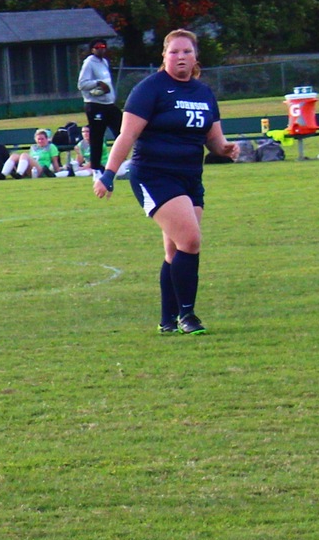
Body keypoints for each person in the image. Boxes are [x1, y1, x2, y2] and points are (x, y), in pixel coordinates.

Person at [96, 27, 235, 335]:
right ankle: (188, 316)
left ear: (196, 56)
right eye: (174, 52)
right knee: (191, 241)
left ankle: (167, 321)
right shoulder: (151, 88)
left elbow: (214, 139)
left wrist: (225, 149)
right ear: (164, 56)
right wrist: (108, 174)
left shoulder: (203, 92)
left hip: (190, 179)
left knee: (176, 251)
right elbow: (127, 135)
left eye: (186, 51)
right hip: (154, 175)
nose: (180, 57)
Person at [79, 40, 119, 169]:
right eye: (98, 47)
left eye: (103, 47)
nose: (101, 49)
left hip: (109, 104)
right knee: (97, 137)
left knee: (123, 131)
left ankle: (120, 162)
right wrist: (97, 83)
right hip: (95, 104)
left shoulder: (104, 62)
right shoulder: (89, 63)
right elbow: (82, 84)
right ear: (92, 49)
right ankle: (96, 168)